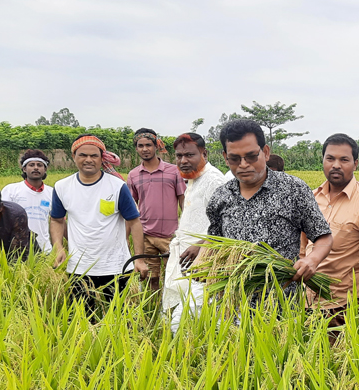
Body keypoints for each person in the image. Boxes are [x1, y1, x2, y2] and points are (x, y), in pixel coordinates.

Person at [206, 120, 333, 302]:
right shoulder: (220, 197)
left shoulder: (293, 189)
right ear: (226, 158)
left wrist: (312, 260)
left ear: (265, 152)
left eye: (251, 156)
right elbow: (214, 243)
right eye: (235, 159)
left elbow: (324, 236)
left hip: (281, 303)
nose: (243, 164)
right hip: (231, 304)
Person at [50, 134, 147, 312]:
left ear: (102, 158)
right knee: (83, 317)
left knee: (119, 317)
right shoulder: (62, 187)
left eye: (94, 155)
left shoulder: (117, 186)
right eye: (82, 155)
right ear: (74, 157)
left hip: (116, 265)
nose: (88, 160)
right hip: (79, 266)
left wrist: (138, 259)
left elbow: (134, 222)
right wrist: (58, 247)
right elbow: (56, 219)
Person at [300, 133, 359, 319]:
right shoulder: (310, 199)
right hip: (306, 300)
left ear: (355, 164)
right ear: (323, 161)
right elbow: (301, 247)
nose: (336, 165)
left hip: (345, 304)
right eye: (330, 158)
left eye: (344, 159)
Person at [161, 133, 228, 332]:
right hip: (188, 260)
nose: (183, 161)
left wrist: (201, 245)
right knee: (189, 318)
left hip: (206, 263)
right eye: (179, 156)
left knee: (183, 322)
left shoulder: (213, 181)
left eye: (189, 155)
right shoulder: (193, 179)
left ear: (204, 153)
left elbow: (226, 223)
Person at [128, 128, 186, 293]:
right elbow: (132, 207)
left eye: (148, 145)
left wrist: (185, 229)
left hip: (171, 235)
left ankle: (169, 312)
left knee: (173, 277)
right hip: (145, 235)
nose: (145, 149)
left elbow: (183, 200)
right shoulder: (133, 175)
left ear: (156, 146)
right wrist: (127, 235)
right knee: (150, 278)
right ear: (136, 148)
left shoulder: (173, 171)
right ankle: (152, 311)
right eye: (140, 146)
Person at [1, 149, 55, 253]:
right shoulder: (11, 190)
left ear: (45, 169)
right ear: (24, 169)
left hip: (44, 249)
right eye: (31, 165)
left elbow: (57, 221)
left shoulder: (52, 193)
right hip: (17, 249)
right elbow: (2, 219)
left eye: (40, 165)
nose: (36, 167)